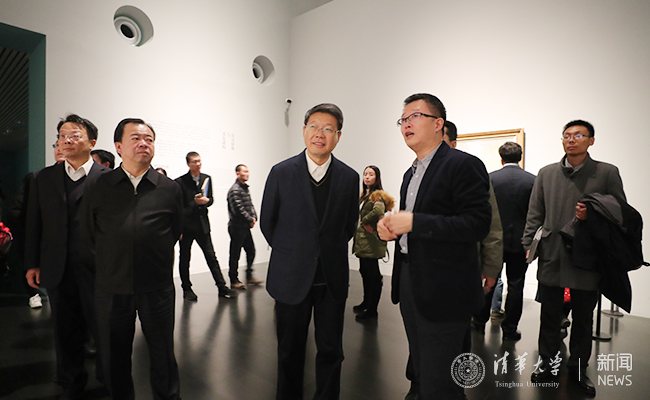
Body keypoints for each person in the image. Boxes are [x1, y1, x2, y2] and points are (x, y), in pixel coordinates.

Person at [378, 94, 491, 400]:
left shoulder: (463, 165)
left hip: (446, 288)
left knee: (441, 376)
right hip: (410, 280)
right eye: (403, 119)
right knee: (420, 363)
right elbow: (414, 225)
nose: (406, 124)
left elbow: (476, 224)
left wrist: (415, 222)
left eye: (414, 116)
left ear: (438, 123)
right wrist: (393, 231)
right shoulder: (411, 173)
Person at [260, 103, 358, 400]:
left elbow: (348, 225)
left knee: (331, 351)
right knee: (289, 350)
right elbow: (268, 222)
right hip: (290, 277)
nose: (320, 134)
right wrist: (294, 252)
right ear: (304, 131)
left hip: (331, 279)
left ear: (338, 136)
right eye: (314, 126)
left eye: (328, 129)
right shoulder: (281, 172)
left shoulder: (349, 177)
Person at [82, 118, 183, 400]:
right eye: (136, 138)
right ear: (118, 146)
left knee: (163, 354)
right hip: (111, 287)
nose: (143, 144)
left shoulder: (169, 188)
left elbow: (175, 231)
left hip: (157, 287)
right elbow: (89, 232)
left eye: (149, 139)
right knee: (114, 357)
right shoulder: (99, 185)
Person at [523, 120, 626, 396]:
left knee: (583, 317)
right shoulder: (546, 173)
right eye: (567, 135)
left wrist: (593, 215)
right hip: (552, 253)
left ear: (591, 140)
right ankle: (547, 364)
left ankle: (579, 369)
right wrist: (528, 244)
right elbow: (535, 212)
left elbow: (620, 212)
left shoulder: (606, 172)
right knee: (549, 316)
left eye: (579, 135)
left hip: (587, 257)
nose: (571, 140)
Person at [25, 114, 109, 398]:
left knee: (104, 327)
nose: (67, 140)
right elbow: (34, 223)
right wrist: (32, 263)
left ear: (92, 142)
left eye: (75, 135)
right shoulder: (43, 178)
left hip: (99, 268)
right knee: (65, 329)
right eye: (63, 136)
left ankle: (109, 377)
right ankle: (72, 380)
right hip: (57, 267)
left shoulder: (109, 179)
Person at [490, 142, 535, 341]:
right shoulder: (532, 180)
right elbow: (536, 213)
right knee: (516, 286)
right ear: (520, 157)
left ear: (501, 159)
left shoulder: (490, 179)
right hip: (521, 242)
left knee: (488, 281)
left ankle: (478, 322)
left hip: (494, 242)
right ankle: (510, 329)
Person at [175, 152, 235, 301]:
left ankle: (221, 286)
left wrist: (207, 201)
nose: (198, 164)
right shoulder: (180, 182)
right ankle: (186, 288)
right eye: (195, 162)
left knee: (211, 257)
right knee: (185, 259)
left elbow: (211, 199)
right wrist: (194, 203)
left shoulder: (206, 178)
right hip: (186, 227)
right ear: (188, 164)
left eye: (199, 161)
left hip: (202, 226)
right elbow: (178, 207)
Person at [352, 165, 394, 321]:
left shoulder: (378, 195)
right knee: (364, 271)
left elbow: (378, 211)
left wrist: (364, 221)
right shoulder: (364, 195)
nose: (367, 177)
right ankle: (366, 302)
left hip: (371, 241)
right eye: (365, 174)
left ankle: (372, 309)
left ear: (377, 177)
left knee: (373, 275)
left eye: (371, 174)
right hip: (363, 240)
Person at [227, 164, 262, 289]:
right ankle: (233, 280)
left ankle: (249, 276)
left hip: (244, 227)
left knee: (251, 251)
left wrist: (254, 217)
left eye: (248, 171)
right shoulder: (235, 190)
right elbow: (238, 209)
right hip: (236, 227)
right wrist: (250, 219)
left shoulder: (244, 188)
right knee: (235, 254)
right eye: (244, 171)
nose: (247, 174)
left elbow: (250, 205)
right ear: (238, 173)